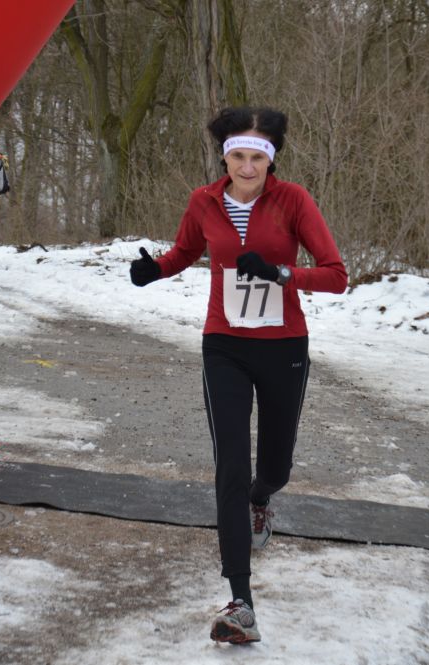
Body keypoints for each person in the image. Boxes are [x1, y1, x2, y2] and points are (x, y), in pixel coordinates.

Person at [127, 106, 347, 644]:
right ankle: (240, 601)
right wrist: (154, 269)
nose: (246, 168)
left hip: (283, 347)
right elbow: (186, 250)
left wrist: (281, 272)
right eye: (237, 157)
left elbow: (336, 275)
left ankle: (261, 497)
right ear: (224, 156)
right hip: (223, 344)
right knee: (230, 460)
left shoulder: (294, 200)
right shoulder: (204, 201)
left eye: (257, 158)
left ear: (271, 161)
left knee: (274, 466)